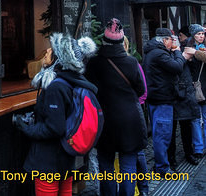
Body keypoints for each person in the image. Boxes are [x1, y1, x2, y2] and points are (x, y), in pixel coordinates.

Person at [13, 32, 97, 196]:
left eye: (51, 51)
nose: (46, 52)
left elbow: (55, 128)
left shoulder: (56, 87)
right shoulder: (72, 80)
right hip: (65, 156)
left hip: (49, 160)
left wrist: (25, 127)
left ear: (58, 59)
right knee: (65, 191)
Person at [85, 19, 147, 196]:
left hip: (104, 119)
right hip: (130, 119)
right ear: (122, 41)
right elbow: (141, 89)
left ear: (104, 40)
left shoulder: (94, 63)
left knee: (106, 164)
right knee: (128, 164)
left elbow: (89, 89)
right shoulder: (131, 62)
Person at [143, 27, 185, 176]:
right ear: (165, 40)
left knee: (159, 133)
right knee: (162, 134)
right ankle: (162, 168)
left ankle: (161, 165)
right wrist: (179, 52)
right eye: (171, 40)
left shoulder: (151, 52)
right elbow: (177, 67)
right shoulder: (160, 53)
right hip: (162, 99)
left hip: (156, 98)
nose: (172, 43)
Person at [167, 30, 200, 167]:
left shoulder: (184, 51)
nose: (173, 43)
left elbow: (193, 70)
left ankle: (189, 153)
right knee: (172, 130)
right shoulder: (166, 55)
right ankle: (171, 157)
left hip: (185, 93)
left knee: (186, 128)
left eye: (174, 41)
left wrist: (191, 58)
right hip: (173, 94)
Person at [123, 36, 149, 196]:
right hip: (121, 116)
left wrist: (134, 106)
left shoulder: (133, 64)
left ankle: (143, 188)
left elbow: (144, 93)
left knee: (137, 154)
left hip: (131, 115)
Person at [185, 24, 206, 158]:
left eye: (202, 34)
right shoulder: (187, 49)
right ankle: (198, 147)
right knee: (195, 119)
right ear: (193, 35)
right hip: (194, 88)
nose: (201, 36)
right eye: (198, 34)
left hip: (205, 88)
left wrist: (196, 53)